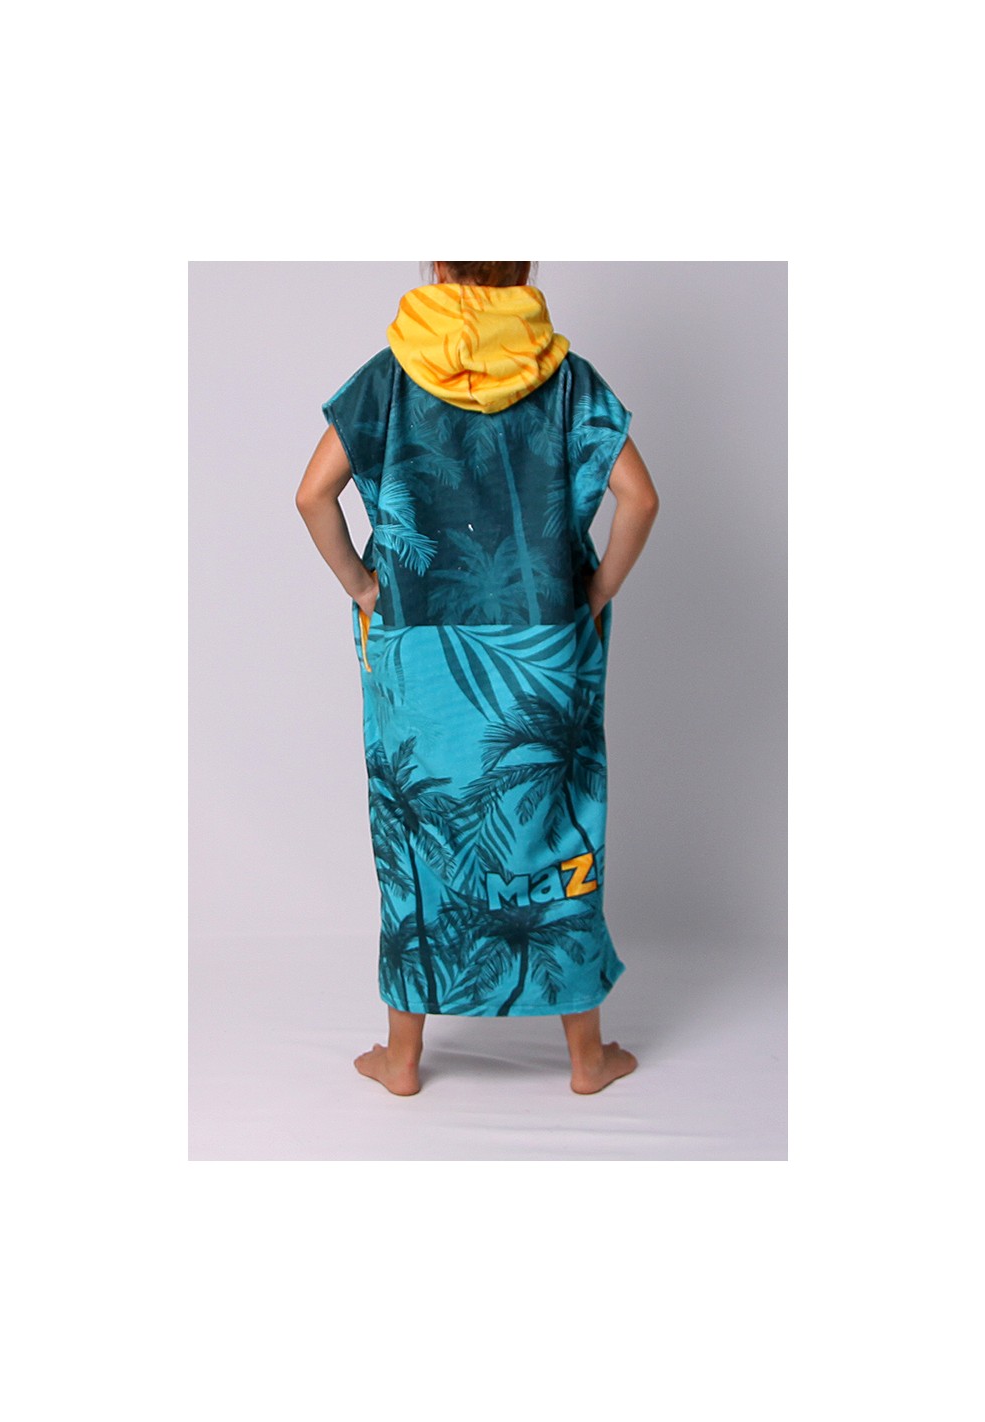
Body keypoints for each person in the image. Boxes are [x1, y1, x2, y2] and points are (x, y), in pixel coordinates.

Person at [295, 261, 660, 1096]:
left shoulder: (390, 375)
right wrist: (597, 592)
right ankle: (586, 1059)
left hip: (417, 647)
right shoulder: (567, 379)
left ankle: (402, 1059)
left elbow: (313, 494)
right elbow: (639, 498)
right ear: (522, 266)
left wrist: (362, 587)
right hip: (542, 644)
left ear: (438, 264)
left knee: (415, 827)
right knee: (560, 826)